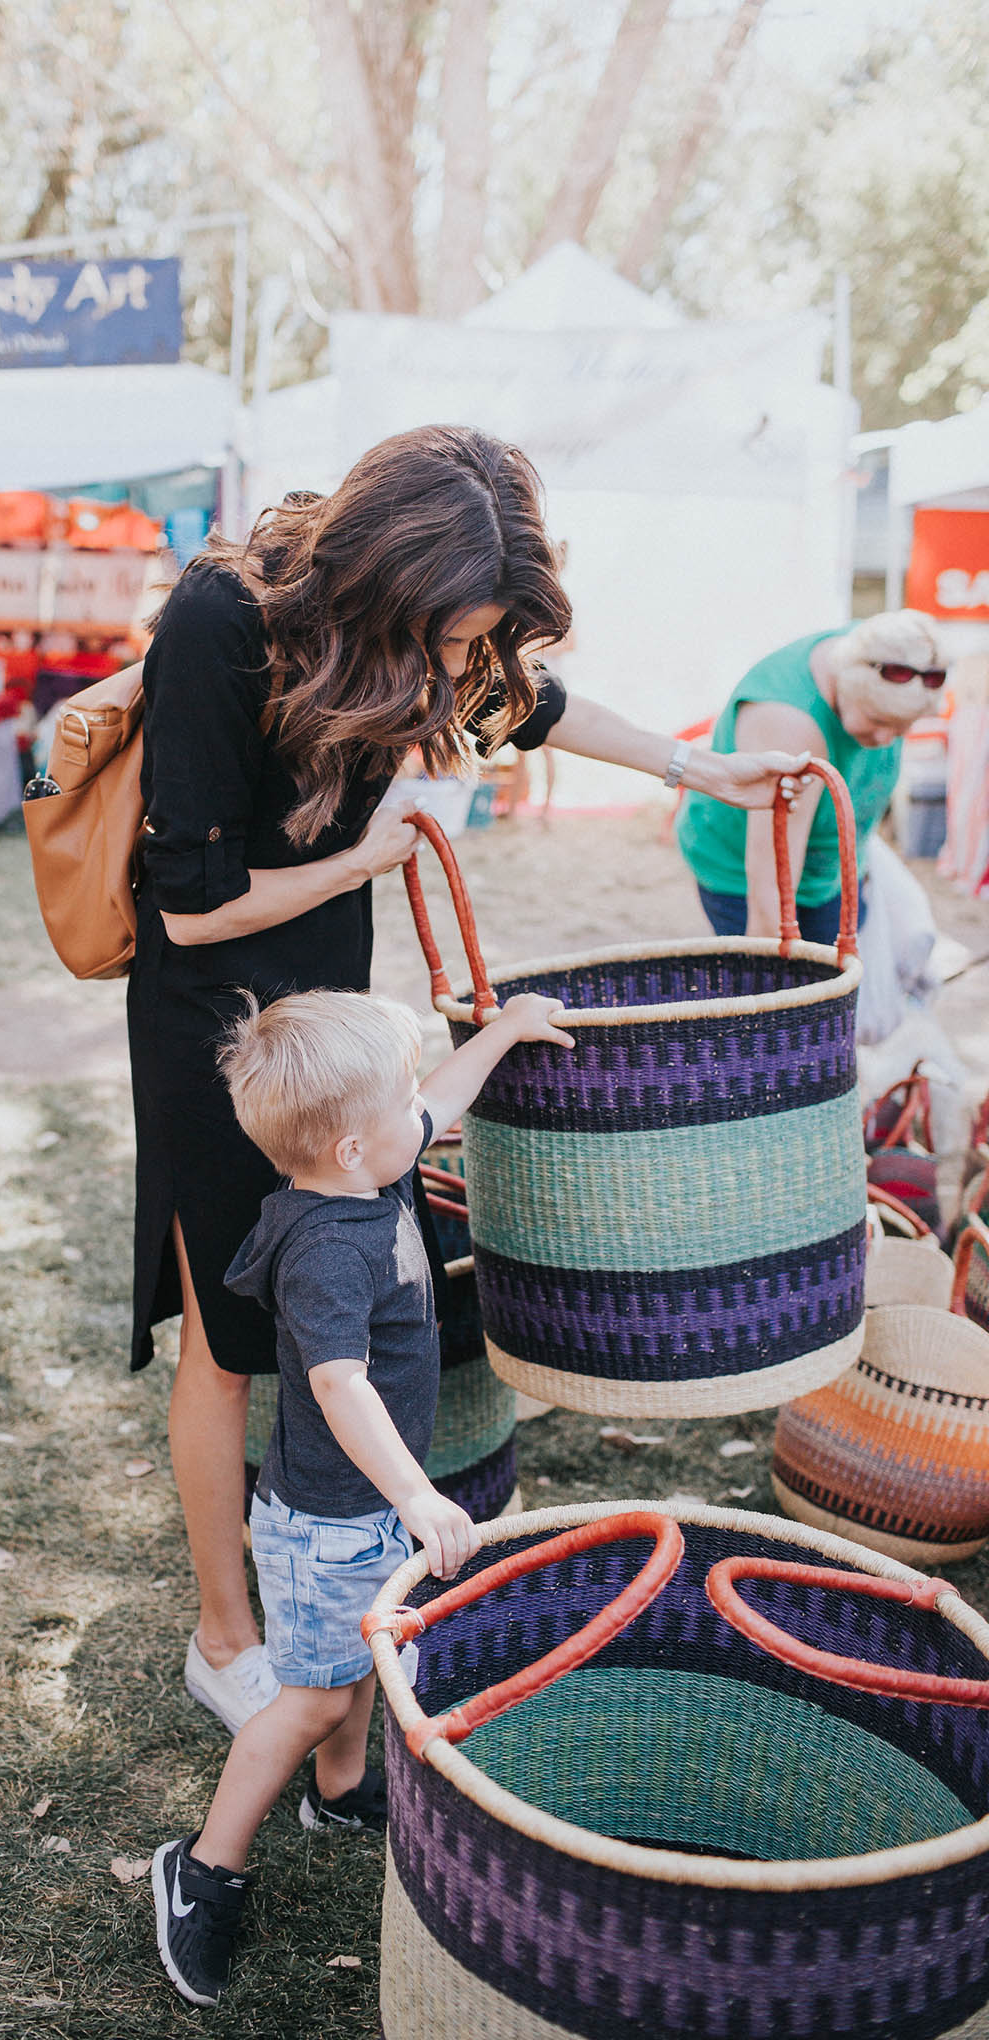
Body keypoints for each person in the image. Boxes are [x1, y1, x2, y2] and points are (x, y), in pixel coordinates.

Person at [131, 424, 808, 1738]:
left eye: (473, 643)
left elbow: (532, 702)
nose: (459, 672)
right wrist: (369, 858)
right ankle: (225, 1635)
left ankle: (321, 1557)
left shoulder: (425, 634)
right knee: (225, 1336)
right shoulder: (223, 620)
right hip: (215, 1020)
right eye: (447, 641)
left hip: (328, 992)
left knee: (329, 1295)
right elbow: (193, 912)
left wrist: (696, 768)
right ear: (381, 580)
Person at [152, 984, 576, 2006]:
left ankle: (341, 1792)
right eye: (401, 1106)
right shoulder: (330, 1252)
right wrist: (417, 1496)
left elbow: (437, 1101)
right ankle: (202, 1870)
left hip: (362, 1510)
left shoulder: (359, 1172)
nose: (418, 1118)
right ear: (351, 1146)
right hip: (325, 1521)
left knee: (356, 1660)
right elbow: (341, 1386)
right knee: (314, 1698)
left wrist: (507, 1030)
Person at [677, 610, 946, 943]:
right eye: (877, 721)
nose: (885, 740)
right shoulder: (788, 724)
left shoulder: (893, 654)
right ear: (846, 687)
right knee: (788, 967)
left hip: (826, 868)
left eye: (902, 727)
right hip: (741, 872)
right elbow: (769, 881)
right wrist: (766, 957)